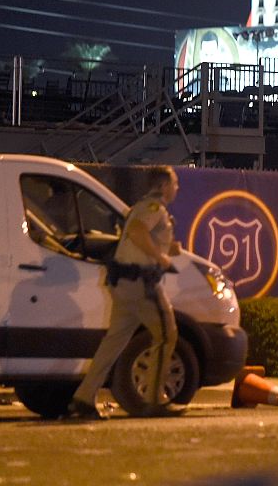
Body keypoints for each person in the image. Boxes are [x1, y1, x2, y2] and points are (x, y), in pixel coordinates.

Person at [67, 166, 183, 419]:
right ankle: (154, 400)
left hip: (125, 285)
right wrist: (160, 257)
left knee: (113, 343)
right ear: (163, 185)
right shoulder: (153, 208)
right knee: (167, 335)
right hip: (141, 284)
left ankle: (84, 398)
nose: (177, 188)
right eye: (175, 183)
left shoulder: (141, 206)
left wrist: (166, 249)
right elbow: (138, 231)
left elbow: (138, 236)